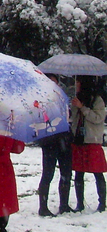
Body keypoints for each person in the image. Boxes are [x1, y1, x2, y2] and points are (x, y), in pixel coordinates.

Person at [36, 73, 73, 216]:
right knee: (48, 173)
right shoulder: (40, 99)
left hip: (64, 137)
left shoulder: (62, 97)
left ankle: (64, 204)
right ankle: (43, 207)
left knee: (66, 173)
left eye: (55, 82)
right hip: (50, 139)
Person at [70, 76, 106, 213]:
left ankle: (102, 203)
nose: (76, 85)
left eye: (78, 83)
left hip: (92, 141)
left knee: (98, 173)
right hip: (79, 140)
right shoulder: (78, 98)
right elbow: (74, 118)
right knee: (78, 173)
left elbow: (98, 118)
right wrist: (75, 108)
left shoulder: (97, 100)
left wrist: (83, 108)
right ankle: (80, 203)